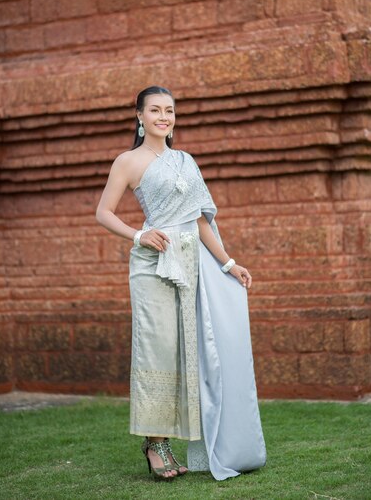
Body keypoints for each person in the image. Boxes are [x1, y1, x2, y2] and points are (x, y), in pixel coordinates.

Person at [96, 86, 266, 481]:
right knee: (159, 349)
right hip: (152, 263)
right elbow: (103, 212)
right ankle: (156, 444)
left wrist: (229, 264)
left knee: (191, 349)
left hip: (192, 264)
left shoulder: (186, 160)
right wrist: (139, 236)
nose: (163, 117)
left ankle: (183, 441)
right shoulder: (128, 161)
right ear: (138, 115)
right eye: (154, 110)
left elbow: (201, 220)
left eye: (169, 111)